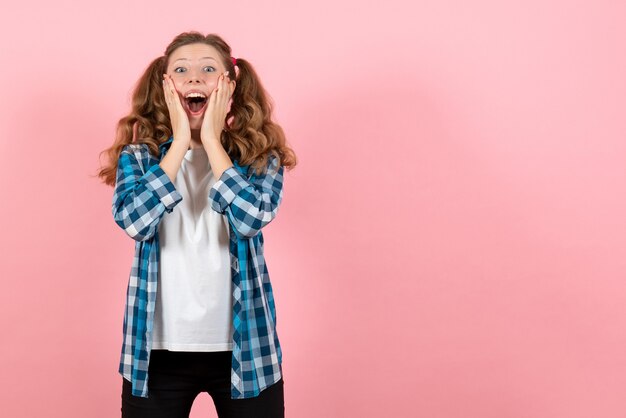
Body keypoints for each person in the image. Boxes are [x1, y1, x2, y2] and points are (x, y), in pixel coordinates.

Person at [97, 31, 297, 418]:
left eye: (208, 69)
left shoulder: (260, 158)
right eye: (181, 70)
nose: (194, 78)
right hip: (156, 352)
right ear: (165, 85)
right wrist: (178, 148)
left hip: (245, 349)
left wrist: (212, 139)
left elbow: (251, 218)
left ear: (229, 85)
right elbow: (135, 221)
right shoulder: (139, 157)